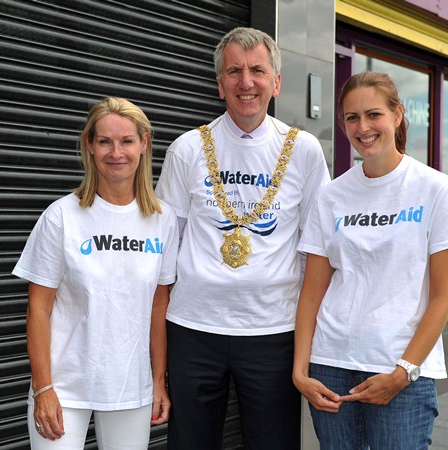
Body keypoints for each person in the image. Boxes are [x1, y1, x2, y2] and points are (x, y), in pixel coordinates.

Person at [155, 27, 330, 450]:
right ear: (220, 85)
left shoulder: (304, 150)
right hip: (193, 326)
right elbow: (164, 245)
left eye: (257, 70)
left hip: (273, 329)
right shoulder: (187, 148)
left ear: (276, 82)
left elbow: (317, 247)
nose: (245, 82)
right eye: (234, 71)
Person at [292, 71, 448, 450]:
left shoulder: (436, 189)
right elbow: (312, 290)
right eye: (352, 118)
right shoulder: (332, 195)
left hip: (401, 369)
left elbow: (443, 296)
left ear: (397, 115)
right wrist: (300, 369)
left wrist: (404, 372)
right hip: (331, 365)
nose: (363, 127)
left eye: (374, 114)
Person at [12, 97, 179, 449]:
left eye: (126, 141)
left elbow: (158, 306)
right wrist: (43, 387)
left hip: (129, 388)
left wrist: (158, 380)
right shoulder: (62, 216)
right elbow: (38, 309)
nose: (116, 152)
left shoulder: (163, 219)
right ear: (89, 145)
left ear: (144, 143)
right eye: (104, 141)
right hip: (64, 388)